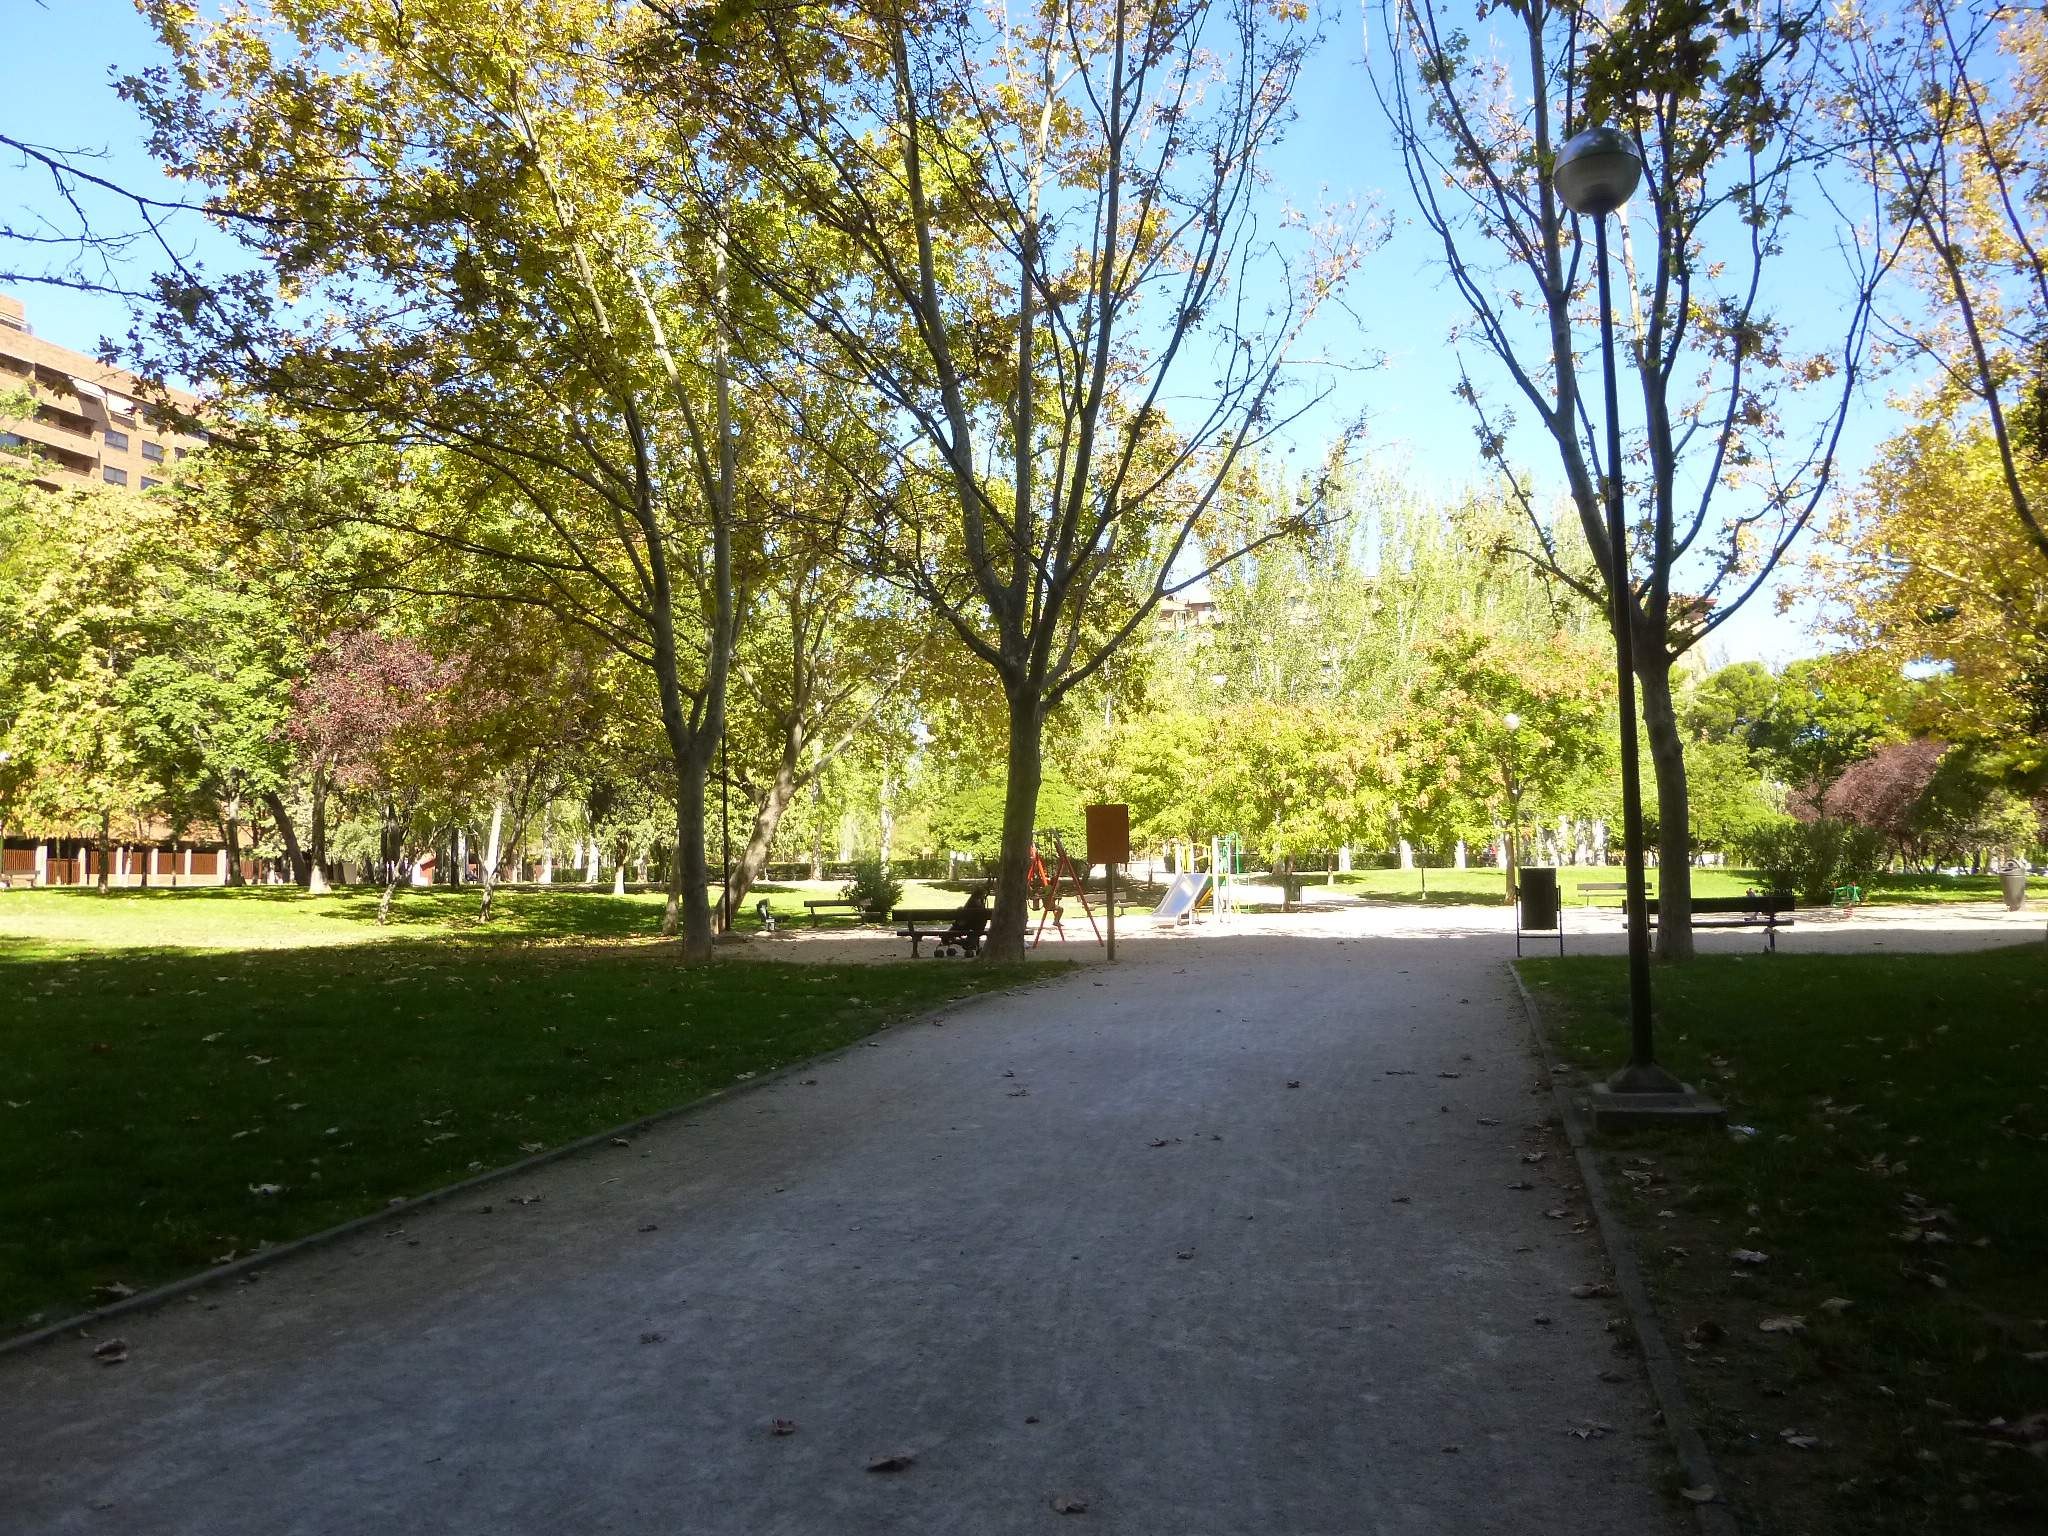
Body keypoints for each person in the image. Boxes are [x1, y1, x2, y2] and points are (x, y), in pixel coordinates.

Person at [938, 883, 992, 956]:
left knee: (958, 925)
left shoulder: (971, 903)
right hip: (974, 927)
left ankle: (947, 937)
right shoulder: (978, 904)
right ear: (981, 895)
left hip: (966, 925)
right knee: (962, 926)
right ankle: (951, 938)